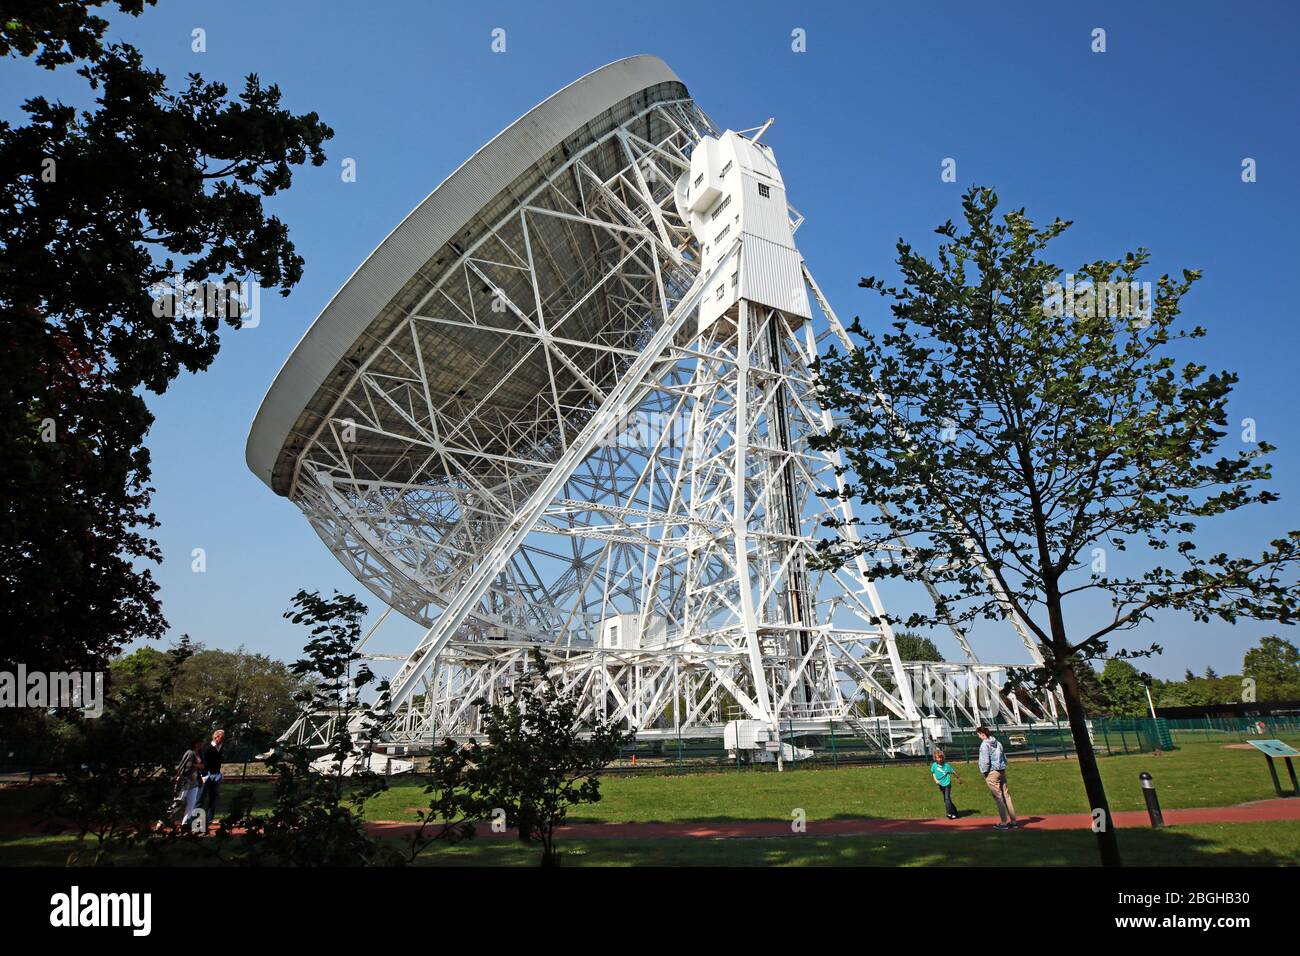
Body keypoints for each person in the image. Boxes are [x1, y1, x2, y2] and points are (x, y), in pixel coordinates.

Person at [976, 726, 1018, 829]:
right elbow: (1003, 756)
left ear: (982, 734)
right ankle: (1013, 821)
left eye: (978, 735)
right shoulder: (997, 743)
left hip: (992, 772)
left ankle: (1003, 822)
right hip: (1001, 770)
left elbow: (985, 761)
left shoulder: (985, 745)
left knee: (998, 797)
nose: (978, 737)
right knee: (1006, 796)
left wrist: (984, 772)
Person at [171, 737, 206, 830]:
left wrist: (197, 767)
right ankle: (162, 822)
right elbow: (186, 767)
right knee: (178, 802)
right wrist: (194, 769)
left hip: (194, 783)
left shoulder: (200, 754)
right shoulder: (190, 753)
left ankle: (185, 824)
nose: (203, 744)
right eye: (201, 742)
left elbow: (203, 765)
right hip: (184, 781)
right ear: (196, 743)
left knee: (191, 804)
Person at [197, 729, 226, 828]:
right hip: (207, 776)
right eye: (221, 738)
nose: (222, 740)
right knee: (200, 798)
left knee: (213, 798)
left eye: (223, 738)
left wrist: (219, 773)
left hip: (216, 776)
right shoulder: (208, 748)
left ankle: (210, 818)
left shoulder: (221, 748)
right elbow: (203, 763)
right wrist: (203, 775)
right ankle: (196, 820)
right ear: (215, 737)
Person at [929, 748, 961, 819]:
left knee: (947, 798)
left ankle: (949, 813)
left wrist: (958, 778)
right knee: (946, 799)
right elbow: (933, 773)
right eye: (937, 758)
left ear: (942, 758)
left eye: (940, 758)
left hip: (947, 784)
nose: (939, 759)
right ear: (935, 758)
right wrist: (936, 780)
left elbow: (953, 772)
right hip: (940, 784)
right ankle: (954, 812)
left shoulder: (946, 765)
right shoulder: (934, 765)